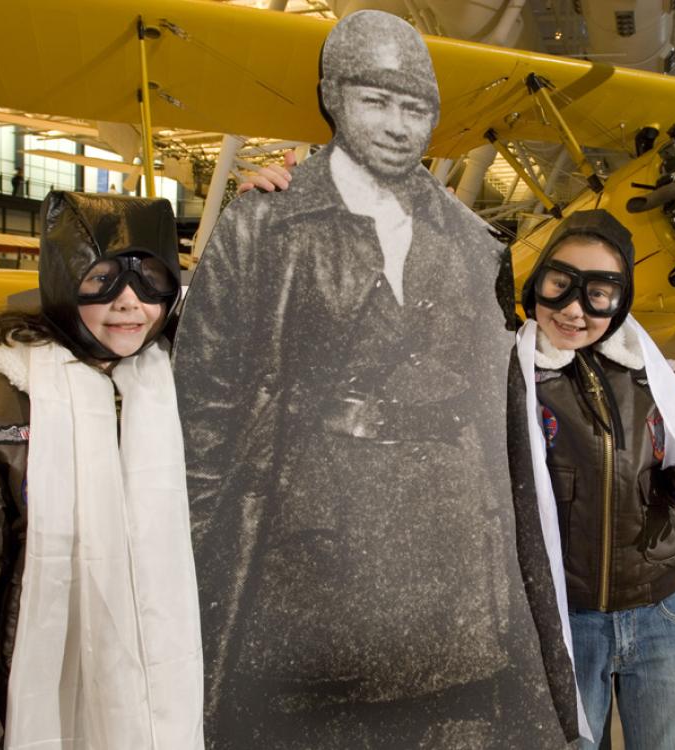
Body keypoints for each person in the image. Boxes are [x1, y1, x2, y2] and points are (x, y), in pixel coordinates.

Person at [173, 10, 579, 749]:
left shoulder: (475, 244)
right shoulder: (263, 225)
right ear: (332, 97)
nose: (398, 125)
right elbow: (205, 407)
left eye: (415, 106)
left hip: (453, 563)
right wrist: (197, 565)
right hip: (311, 567)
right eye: (374, 101)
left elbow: (503, 410)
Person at [0, 191, 204, 749]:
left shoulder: (174, 391)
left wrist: (265, 211)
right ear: (62, 280)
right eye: (102, 280)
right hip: (37, 709)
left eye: (151, 280)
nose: (129, 303)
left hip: (163, 705)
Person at [514, 209, 675, 750]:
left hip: (662, 610)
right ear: (534, 281)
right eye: (559, 285)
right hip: (565, 621)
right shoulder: (505, 373)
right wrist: (273, 209)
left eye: (599, 294)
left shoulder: (644, 369)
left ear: (621, 300)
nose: (572, 309)